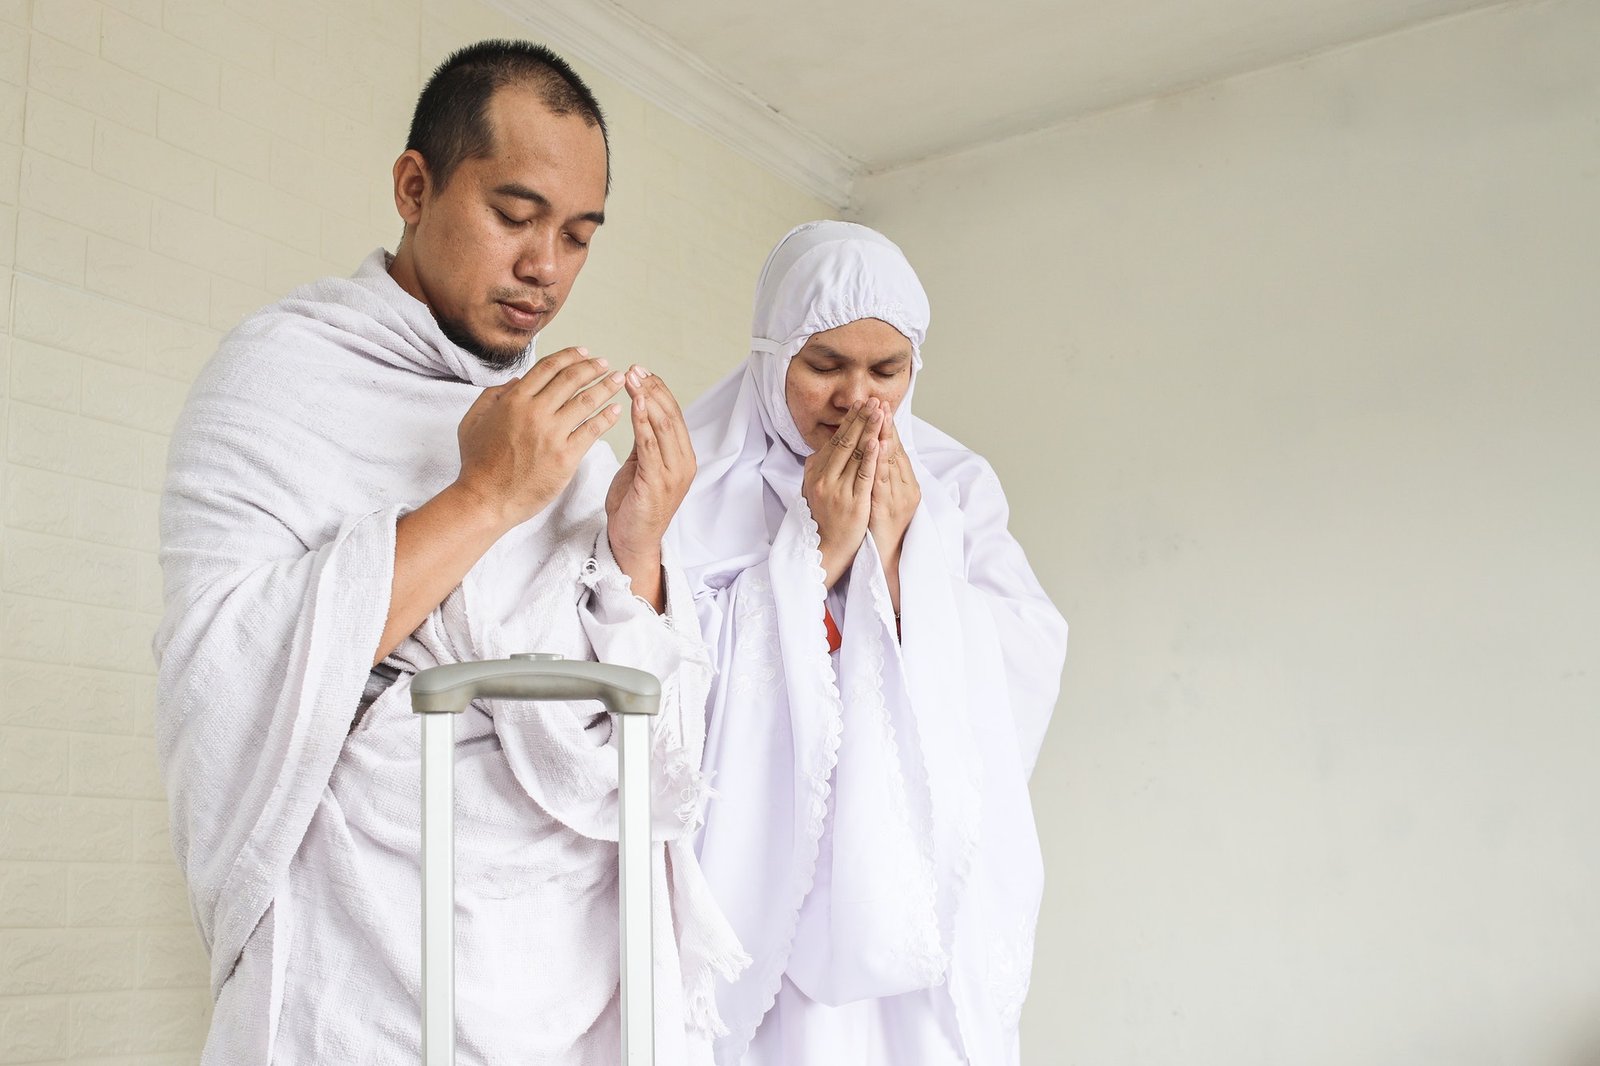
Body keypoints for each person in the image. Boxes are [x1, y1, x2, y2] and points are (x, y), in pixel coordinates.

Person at [154, 40, 744, 1065]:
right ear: (414, 185)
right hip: (372, 970)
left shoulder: (561, 431)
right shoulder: (282, 378)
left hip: (570, 973)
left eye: (577, 236)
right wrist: (482, 497)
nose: (544, 268)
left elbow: (628, 741)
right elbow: (224, 680)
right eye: (514, 217)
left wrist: (637, 548)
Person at [671, 221, 1068, 1065]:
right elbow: (665, 671)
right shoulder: (694, 481)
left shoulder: (955, 487)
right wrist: (816, 553)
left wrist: (898, 557)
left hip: (913, 889)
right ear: (772, 359)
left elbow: (1026, 650)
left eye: (886, 371)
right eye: (825, 367)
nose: (859, 399)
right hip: (767, 883)